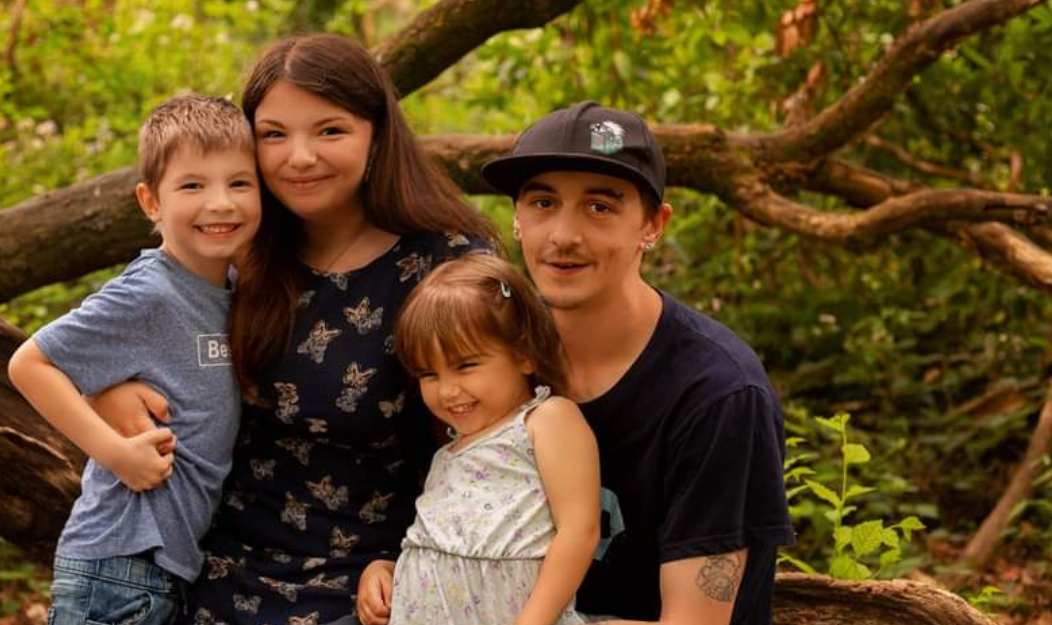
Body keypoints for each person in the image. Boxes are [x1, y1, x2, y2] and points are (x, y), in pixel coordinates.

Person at [89, 33, 499, 625]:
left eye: (329, 131)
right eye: (274, 135)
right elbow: (119, 336)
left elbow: (494, 440)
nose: (299, 157)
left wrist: (413, 558)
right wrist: (109, 390)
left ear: (377, 133)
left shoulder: (445, 265)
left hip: (372, 579)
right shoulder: (233, 246)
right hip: (207, 568)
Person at [359, 102, 796, 625]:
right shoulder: (483, 364)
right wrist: (401, 572)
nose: (564, 235)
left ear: (653, 224)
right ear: (517, 219)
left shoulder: (718, 394)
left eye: (600, 206)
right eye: (543, 202)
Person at [8, 94, 262, 625]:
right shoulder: (149, 293)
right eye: (192, 186)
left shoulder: (232, 288)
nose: (220, 203)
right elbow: (30, 365)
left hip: (167, 569)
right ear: (151, 202)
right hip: (118, 569)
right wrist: (116, 453)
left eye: (239, 183)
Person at [386, 253, 600, 625]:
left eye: (466, 365)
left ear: (525, 354)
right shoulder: (448, 451)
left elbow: (579, 531)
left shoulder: (546, 420)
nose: (447, 390)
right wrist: (385, 572)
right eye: (428, 374)